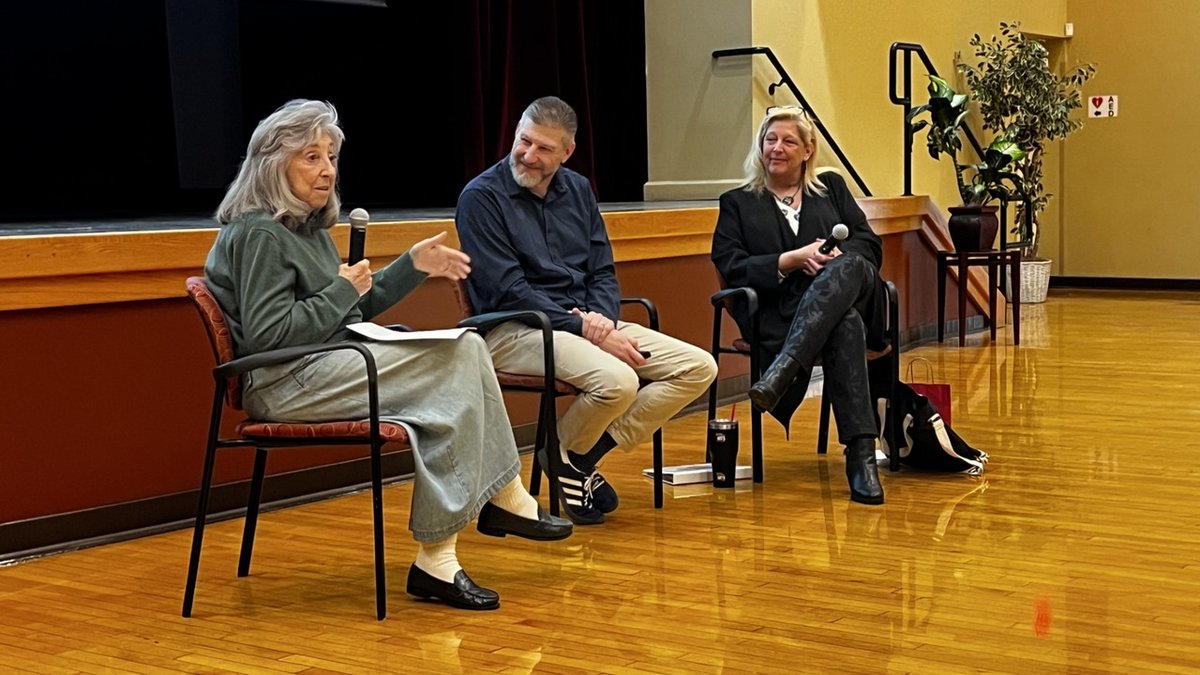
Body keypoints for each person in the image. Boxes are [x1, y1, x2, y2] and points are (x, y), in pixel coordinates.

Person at [203, 99, 572, 611]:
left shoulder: (304, 229)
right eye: (311, 157)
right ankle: (494, 506)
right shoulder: (260, 233)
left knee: (463, 355)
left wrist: (412, 265)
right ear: (272, 163)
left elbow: (348, 309)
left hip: (326, 365)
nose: (328, 169)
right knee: (460, 357)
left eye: (331, 156)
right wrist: (342, 289)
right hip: (284, 382)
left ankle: (447, 552)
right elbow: (270, 338)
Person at [455, 96, 717, 525]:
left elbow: (602, 271)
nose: (528, 155)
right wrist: (586, 327)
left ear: (567, 151)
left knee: (698, 367)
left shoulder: (577, 189)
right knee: (618, 380)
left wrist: (602, 323)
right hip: (514, 328)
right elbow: (509, 290)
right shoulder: (481, 197)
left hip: (584, 323)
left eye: (544, 148)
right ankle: (571, 460)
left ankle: (573, 457)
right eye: (524, 141)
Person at [711, 106, 888, 505]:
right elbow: (730, 264)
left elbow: (869, 245)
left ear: (808, 150)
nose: (776, 148)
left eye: (788, 141)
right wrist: (790, 260)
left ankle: (782, 372)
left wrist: (835, 258)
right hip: (780, 313)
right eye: (770, 140)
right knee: (846, 324)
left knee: (851, 264)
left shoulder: (831, 188)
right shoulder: (737, 202)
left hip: (845, 295)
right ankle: (861, 457)